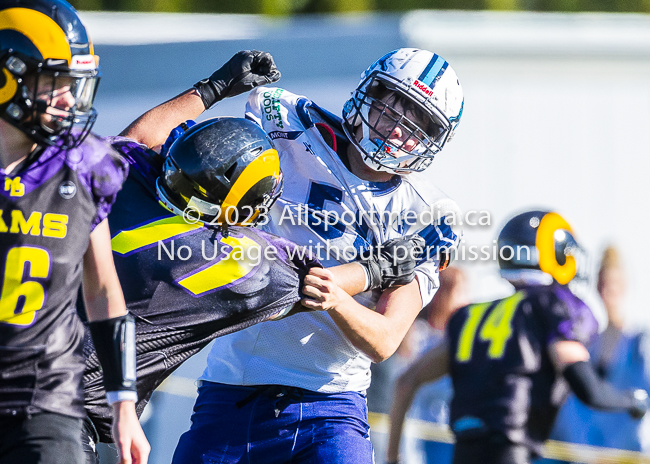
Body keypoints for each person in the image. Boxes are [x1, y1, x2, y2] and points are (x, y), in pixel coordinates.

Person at [79, 50, 425, 464]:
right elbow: (311, 284)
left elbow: (138, 138)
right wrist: (374, 270)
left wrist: (211, 89)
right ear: (239, 217)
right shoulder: (231, 258)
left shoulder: (128, 175)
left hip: (32, 358)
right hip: (84, 401)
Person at [170, 48, 466, 464]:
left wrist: (338, 298)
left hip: (333, 407)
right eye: (392, 107)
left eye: (417, 122)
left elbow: (384, 341)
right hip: (236, 388)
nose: (398, 130)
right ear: (369, 93)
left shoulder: (427, 213)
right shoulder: (286, 122)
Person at [0, 1, 149, 463]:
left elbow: (103, 290)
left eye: (73, 84)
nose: (69, 99)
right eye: (55, 83)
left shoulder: (85, 165)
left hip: (45, 397)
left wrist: (124, 405)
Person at [386, 210, 649, 464]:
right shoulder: (551, 306)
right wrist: (632, 400)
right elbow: (589, 391)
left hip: (463, 452)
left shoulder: (470, 316)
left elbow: (406, 382)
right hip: (510, 451)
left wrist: (392, 458)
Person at [550, 246, 650, 454]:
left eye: (612, 284)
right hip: (579, 452)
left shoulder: (639, 342)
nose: (607, 291)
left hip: (625, 453)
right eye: (603, 284)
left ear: (623, 286)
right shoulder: (586, 340)